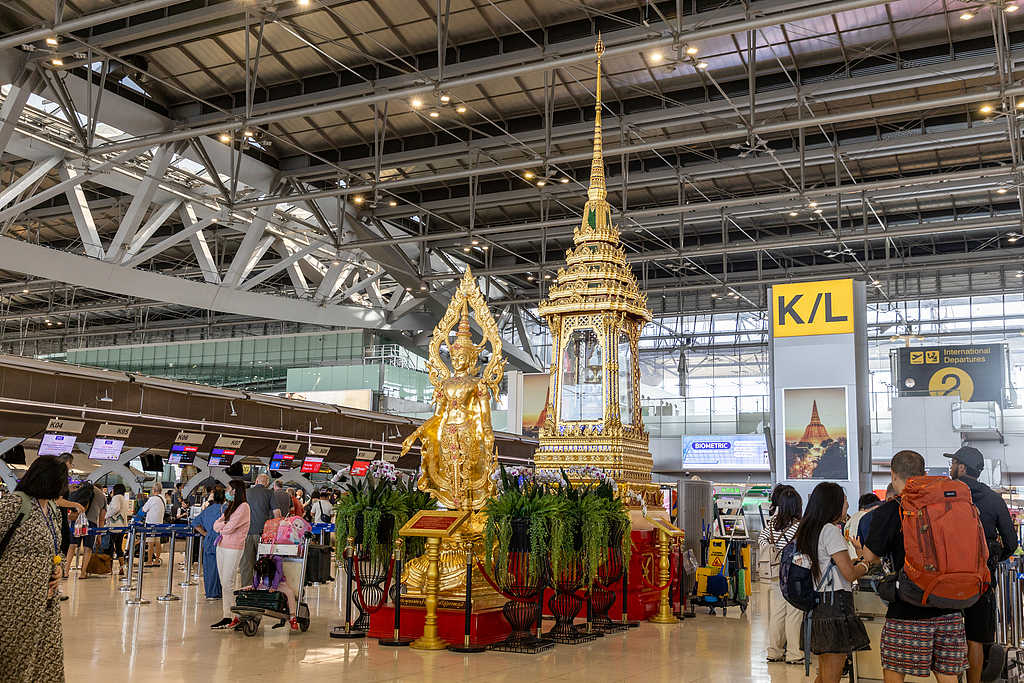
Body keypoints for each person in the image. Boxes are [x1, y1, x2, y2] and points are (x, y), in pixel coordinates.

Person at [863, 450, 968, 683]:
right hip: (951, 605)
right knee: (948, 675)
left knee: (894, 671)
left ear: (893, 475)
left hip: (908, 607)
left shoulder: (891, 510)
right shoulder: (950, 505)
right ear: (924, 474)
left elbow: (870, 555)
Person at [945, 446, 1019, 683]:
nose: (950, 467)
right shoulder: (994, 500)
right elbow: (1011, 542)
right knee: (975, 637)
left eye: (953, 463)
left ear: (962, 467)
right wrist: (993, 557)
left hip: (945, 578)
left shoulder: (945, 495)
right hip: (981, 579)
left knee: (947, 634)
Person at [794, 482, 871, 683]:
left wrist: (855, 561)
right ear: (833, 504)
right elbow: (849, 574)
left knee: (824, 673)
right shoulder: (830, 530)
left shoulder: (809, 529)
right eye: (845, 501)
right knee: (832, 676)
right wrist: (867, 564)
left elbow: (829, 564)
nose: (847, 506)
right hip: (835, 606)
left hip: (818, 606)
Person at [0, 455, 67, 682]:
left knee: (46, 662)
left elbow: (57, 548)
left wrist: (60, 567)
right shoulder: (14, 504)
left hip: (47, 604)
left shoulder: (54, 511)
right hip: (14, 602)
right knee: (14, 662)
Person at [759, 485, 803, 665]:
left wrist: (774, 548)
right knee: (794, 611)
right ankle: (793, 653)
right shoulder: (799, 527)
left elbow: (761, 542)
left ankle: (774, 651)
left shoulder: (771, 525)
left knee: (778, 610)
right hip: (793, 573)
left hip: (775, 572)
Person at [211, 480, 250, 629]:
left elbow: (230, 528)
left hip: (234, 548)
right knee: (223, 583)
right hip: (221, 546)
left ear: (235, 490)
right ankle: (227, 615)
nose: (226, 490)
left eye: (228, 488)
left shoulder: (244, 507)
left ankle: (238, 615)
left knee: (228, 583)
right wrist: (224, 525)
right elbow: (217, 525)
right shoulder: (230, 507)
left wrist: (224, 526)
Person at [240, 474, 282, 588]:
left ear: (256, 481)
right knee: (264, 562)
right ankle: (262, 587)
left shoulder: (246, 493)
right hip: (263, 534)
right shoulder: (269, 493)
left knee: (246, 563)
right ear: (267, 484)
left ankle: (246, 588)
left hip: (246, 532)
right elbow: (277, 514)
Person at [242, 555, 299, 631]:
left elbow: (278, 573)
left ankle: (292, 617)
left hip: (278, 584)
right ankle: (238, 616)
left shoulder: (277, 560)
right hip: (265, 585)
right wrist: (254, 586)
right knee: (243, 590)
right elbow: (257, 575)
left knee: (290, 592)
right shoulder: (260, 562)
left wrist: (274, 587)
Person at [190, 486, 225, 600]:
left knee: (209, 568)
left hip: (209, 540)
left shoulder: (207, 510)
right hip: (223, 540)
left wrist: (205, 533)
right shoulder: (226, 510)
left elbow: (195, 523)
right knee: (222, 568)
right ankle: (220, 592)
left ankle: (210, 592)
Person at [70, 480, 105, 579]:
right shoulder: (102, 496)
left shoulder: (83, 490)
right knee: (87, 547)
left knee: (72, 545)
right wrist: (99, 535)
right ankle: (83, 573)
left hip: (77, 520)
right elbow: (102, 519)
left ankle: (66, 571)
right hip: (91, 522)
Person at [105, 484, 129, 576]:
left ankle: (109, 568)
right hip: (122, 526)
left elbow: (115, 508)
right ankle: (121, 567)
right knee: (118, 547)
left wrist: (107, 515)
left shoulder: (116, 498)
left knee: (110, 546)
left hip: (114, 526)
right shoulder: (122, 498)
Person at [141, 482, 166, 566]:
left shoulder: (152, 499)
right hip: (159, 523)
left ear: (154, 490)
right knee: (157, 542)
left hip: (151, 523)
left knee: (150, 542)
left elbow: (144, 509)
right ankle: (157, 560)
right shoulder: (163, 499)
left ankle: (149, 561)